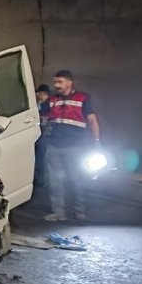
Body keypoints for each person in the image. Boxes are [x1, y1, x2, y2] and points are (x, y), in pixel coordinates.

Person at [41, 70, 101, 222]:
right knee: (55, 181)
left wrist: (97, 142)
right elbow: (41, 118)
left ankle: (79, 211)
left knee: (77, 179)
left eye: (60, 82)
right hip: (54, 146)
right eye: (55, 82)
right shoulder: (51, 100)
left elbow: (92, 121)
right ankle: (58, 213)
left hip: (75, 147)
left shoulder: (82, 98)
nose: (57, 85)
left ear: (70, 82)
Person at [34, 84, 51, 186]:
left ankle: (41, 180)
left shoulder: (47, 104)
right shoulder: (41, 103)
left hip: (43, 135)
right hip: (41, 134)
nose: (38, 96)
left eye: (39, 94)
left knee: (41, 158)